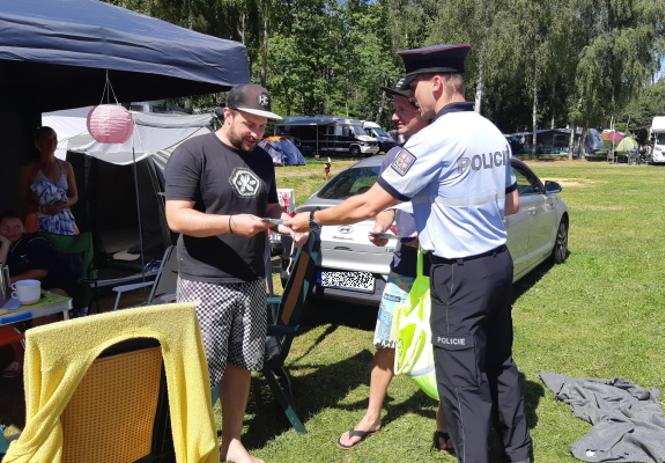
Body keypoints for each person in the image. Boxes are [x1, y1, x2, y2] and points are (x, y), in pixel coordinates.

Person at [288, 44, 532, 463]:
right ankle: (519, 455)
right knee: (501, 369)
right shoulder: (490, 131)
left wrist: (312, 220)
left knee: (462, 388)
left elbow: (369, 204)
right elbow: (510, 205)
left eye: (413, 88)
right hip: (497, 264)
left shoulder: (434, 138)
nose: (410, 99)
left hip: (458, 275)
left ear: (435, 84)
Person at [164, 84, 306, 463]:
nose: (256, 133)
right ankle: (190, 444)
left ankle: (232, 443)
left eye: (261, 126)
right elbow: (177, 217)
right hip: (204, 281)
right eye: (249, 124)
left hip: (251, 278)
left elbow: (271, 208)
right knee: (200, 369)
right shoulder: (193, 153)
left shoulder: (261, 159)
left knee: (242, 362)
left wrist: (286, 223)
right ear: (227, 114)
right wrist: (230, 222)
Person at [336, 77, 451, 453]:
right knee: (385, 341)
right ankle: (372, 416)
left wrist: (427, 234)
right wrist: (382, 223)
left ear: (422, 112)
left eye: (403, 109)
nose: (394, 115)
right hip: (402, 270)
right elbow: (385, 204)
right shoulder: (394, 157)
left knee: (444, 348)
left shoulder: (443, 152)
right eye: (397, 109)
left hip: (441, 272)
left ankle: (444, 423)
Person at [0, 212, 81, 297]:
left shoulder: (35, 241)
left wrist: (6, 282)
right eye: (6, 227)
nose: (11, 231)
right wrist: (5, 244)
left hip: (55, 286)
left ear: (24, 228)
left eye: (17, 227)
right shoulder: (4, 245)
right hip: (22, 291)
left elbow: (40, 273)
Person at [18, 127, 79, 236]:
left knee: (66, 251)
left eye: (54, 139)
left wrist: (62, 205)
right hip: (37, 221)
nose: (52, 142)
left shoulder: (66, 166)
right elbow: (23, 201)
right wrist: (44, 209)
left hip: (64, 220)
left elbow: (75, 196)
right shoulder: (29, 170)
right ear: (37, 143)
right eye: (47, 139)